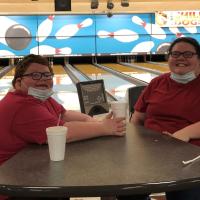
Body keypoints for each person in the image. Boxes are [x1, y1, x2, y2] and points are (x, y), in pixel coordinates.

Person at [0, 54, 126, 200]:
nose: (43, 79)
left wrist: (94, 122)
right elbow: (65, 133)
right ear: (18, 82)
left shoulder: (39, 97)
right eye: (35, 75)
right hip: (13, 187)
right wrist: (104, 128)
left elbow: (65, 114)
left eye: (47, 75)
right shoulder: (22, 106)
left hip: (27, 170)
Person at [130, 37, 200, 200]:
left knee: (186, 196)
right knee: (127, 193)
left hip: (189, 157)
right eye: (175, 54)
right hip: (150, 153)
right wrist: (133, 145)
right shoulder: (157, 83)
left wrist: (184, 133)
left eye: (188, 54)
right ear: (168, 58)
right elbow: (137, 118)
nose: (180, 58)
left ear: (199, 58)